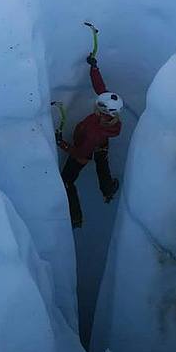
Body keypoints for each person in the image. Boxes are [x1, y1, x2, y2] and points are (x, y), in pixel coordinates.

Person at [56, 54, 123, 229]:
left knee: (67, 181)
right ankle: (107, 190)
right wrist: (94, 68)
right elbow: (101, 89)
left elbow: (81, 153)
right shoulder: (110, 116)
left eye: (98, 108)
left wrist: (61, 144)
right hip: (100, 144)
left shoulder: (94, 130)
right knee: (102, 163)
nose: (96, 108)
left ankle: (75, 216)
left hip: (84, 149)